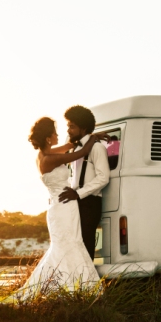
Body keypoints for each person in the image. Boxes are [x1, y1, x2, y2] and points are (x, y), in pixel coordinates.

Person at [10, 117, 108, 300]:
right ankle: (75, 289)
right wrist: (93, 139)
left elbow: (70, 146)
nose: (58, 135)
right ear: (48, 138)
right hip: (63, 208)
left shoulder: (46, 154)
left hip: (62, 206)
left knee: (69, 245)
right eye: (55, 132)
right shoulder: (48, 159)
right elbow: (80, 153)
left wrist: (90, 136)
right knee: (69, 245)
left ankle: (68, 287)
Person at [57, 105, 109, 260]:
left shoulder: (97, 148)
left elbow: (103, 177)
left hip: (90, 203)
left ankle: (87, 282)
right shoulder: (75, 148)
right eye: (68, 126)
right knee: (75, 246)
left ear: (83, 127)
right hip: (76, 202)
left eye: (72, 127)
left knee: (86, 246)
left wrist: (78, 193)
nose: (68, 130)